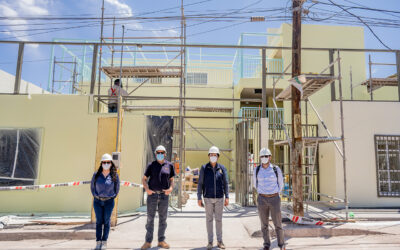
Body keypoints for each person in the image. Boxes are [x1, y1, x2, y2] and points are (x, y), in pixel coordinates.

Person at [141, 145, 175, 250]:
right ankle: (148, 242)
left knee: (163, 219)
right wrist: (147, 189)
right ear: (156, 154)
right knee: (150, 219)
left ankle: (161, 241)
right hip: (153, 195)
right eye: (158, 153)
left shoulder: (169, 165)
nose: (160, 154)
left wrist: (170, 188)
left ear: (165, 154)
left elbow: (172, 179)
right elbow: (144, 179)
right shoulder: (151, 165)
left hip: (164, 196)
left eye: (162, 153)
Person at [197, 146, 229, 250]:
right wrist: (199, 197)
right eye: (211, 155)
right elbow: (200, 183)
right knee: (209, 220)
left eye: (215, 155)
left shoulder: (222, 168)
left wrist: (227, 196)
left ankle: (220, 241)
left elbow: (226, 183)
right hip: (208, 198)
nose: (213, 156)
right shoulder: (204, 168)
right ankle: (210, 242)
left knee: (219, 220)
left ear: (218, 156)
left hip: (220, 198)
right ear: (208, 156)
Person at [254, 148, 285, 250]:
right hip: (262, 199)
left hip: (274, 199)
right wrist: (262, 193)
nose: (264, 158)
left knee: (278, 224)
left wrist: (274, 193)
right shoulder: (257, 170)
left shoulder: (276, 169)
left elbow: (281, 184)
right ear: (260, 158)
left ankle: (281, 244)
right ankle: (266, 244)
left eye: (266, 156)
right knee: (264, 224)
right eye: (262, 156)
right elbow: (255, 184)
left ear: (270, 157)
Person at [90, 153, 120, 250]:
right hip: (97, 202)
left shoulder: (114, 175)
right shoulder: (96, 175)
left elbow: (117, 188)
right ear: (101, 163)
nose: (106, 164)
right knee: (99, 222)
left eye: (108, 162)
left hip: (109, 202)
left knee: (106, 222)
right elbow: (92, 187)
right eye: (104, 162)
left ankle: (104, 242)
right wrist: (95, 195)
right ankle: (98, 242)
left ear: (111, 163)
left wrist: (112, 197)